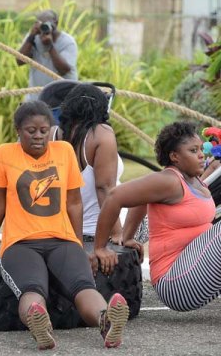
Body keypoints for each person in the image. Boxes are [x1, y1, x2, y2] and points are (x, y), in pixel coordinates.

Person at [0, 101, 128, 350]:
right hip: (21, 245)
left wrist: (80, 246)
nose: (39, 136)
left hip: (62, 241)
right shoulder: (4, 154)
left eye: (44, 130)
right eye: (31, 131)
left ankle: (106, 320)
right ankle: (38, 321)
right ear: (18, 130)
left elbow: (74, 204)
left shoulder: (63, 151)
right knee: (32, 288)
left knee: (82, 286)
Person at [95, 122, 221, 313]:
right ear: (175, 156)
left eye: (200, 149)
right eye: (193, 150)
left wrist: (129, 237)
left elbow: (142, 199)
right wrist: (100, 247)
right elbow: (114, 196)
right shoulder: (169, 180)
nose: (201, 154)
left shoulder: (195, 180)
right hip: (175, 283)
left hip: (197, 271)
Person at [53, 83, 123, 243]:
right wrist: (117, 233)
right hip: (93, 231)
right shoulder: (102, 134)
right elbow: (104, 188)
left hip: (55, 228)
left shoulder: (50, 133)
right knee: (144, 217)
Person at [16, 10, 78, 101]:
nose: (44, 28)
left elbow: (64, 70)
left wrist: (50, 46)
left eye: (47, 24)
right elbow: (19, 61)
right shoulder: (34, 37)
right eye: (41, 24)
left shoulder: (68, 42)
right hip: (36, 97)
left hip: (62, 100)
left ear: (56, 23)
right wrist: (31, 37)